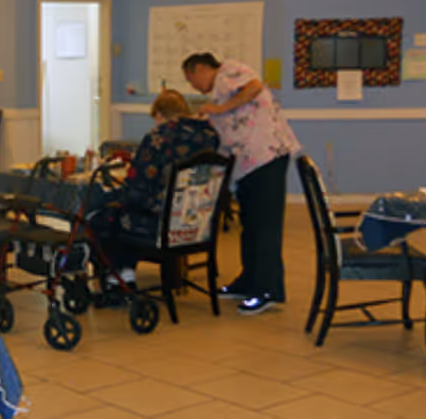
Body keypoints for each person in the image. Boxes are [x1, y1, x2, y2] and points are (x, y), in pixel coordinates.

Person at [183, 52, 300, 315]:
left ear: (200, 68)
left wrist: (219, 110)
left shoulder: (230, 71)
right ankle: (249, 280)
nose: (193, 87)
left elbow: (255, 87)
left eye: (191, 79)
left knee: (265, 226)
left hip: (266, 156)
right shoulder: (220, 93)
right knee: (250, 226)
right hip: (247, 164)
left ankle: (268, 290)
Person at [88, 90, 220, 289]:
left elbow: (137, 186)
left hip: (163, 223)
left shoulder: (158, 138)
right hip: (198, 221)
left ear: (160, 115)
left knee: (105, 216)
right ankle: (125, 272)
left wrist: (118, 198)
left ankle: (121, 277)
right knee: (123, 212)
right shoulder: (209, 136)